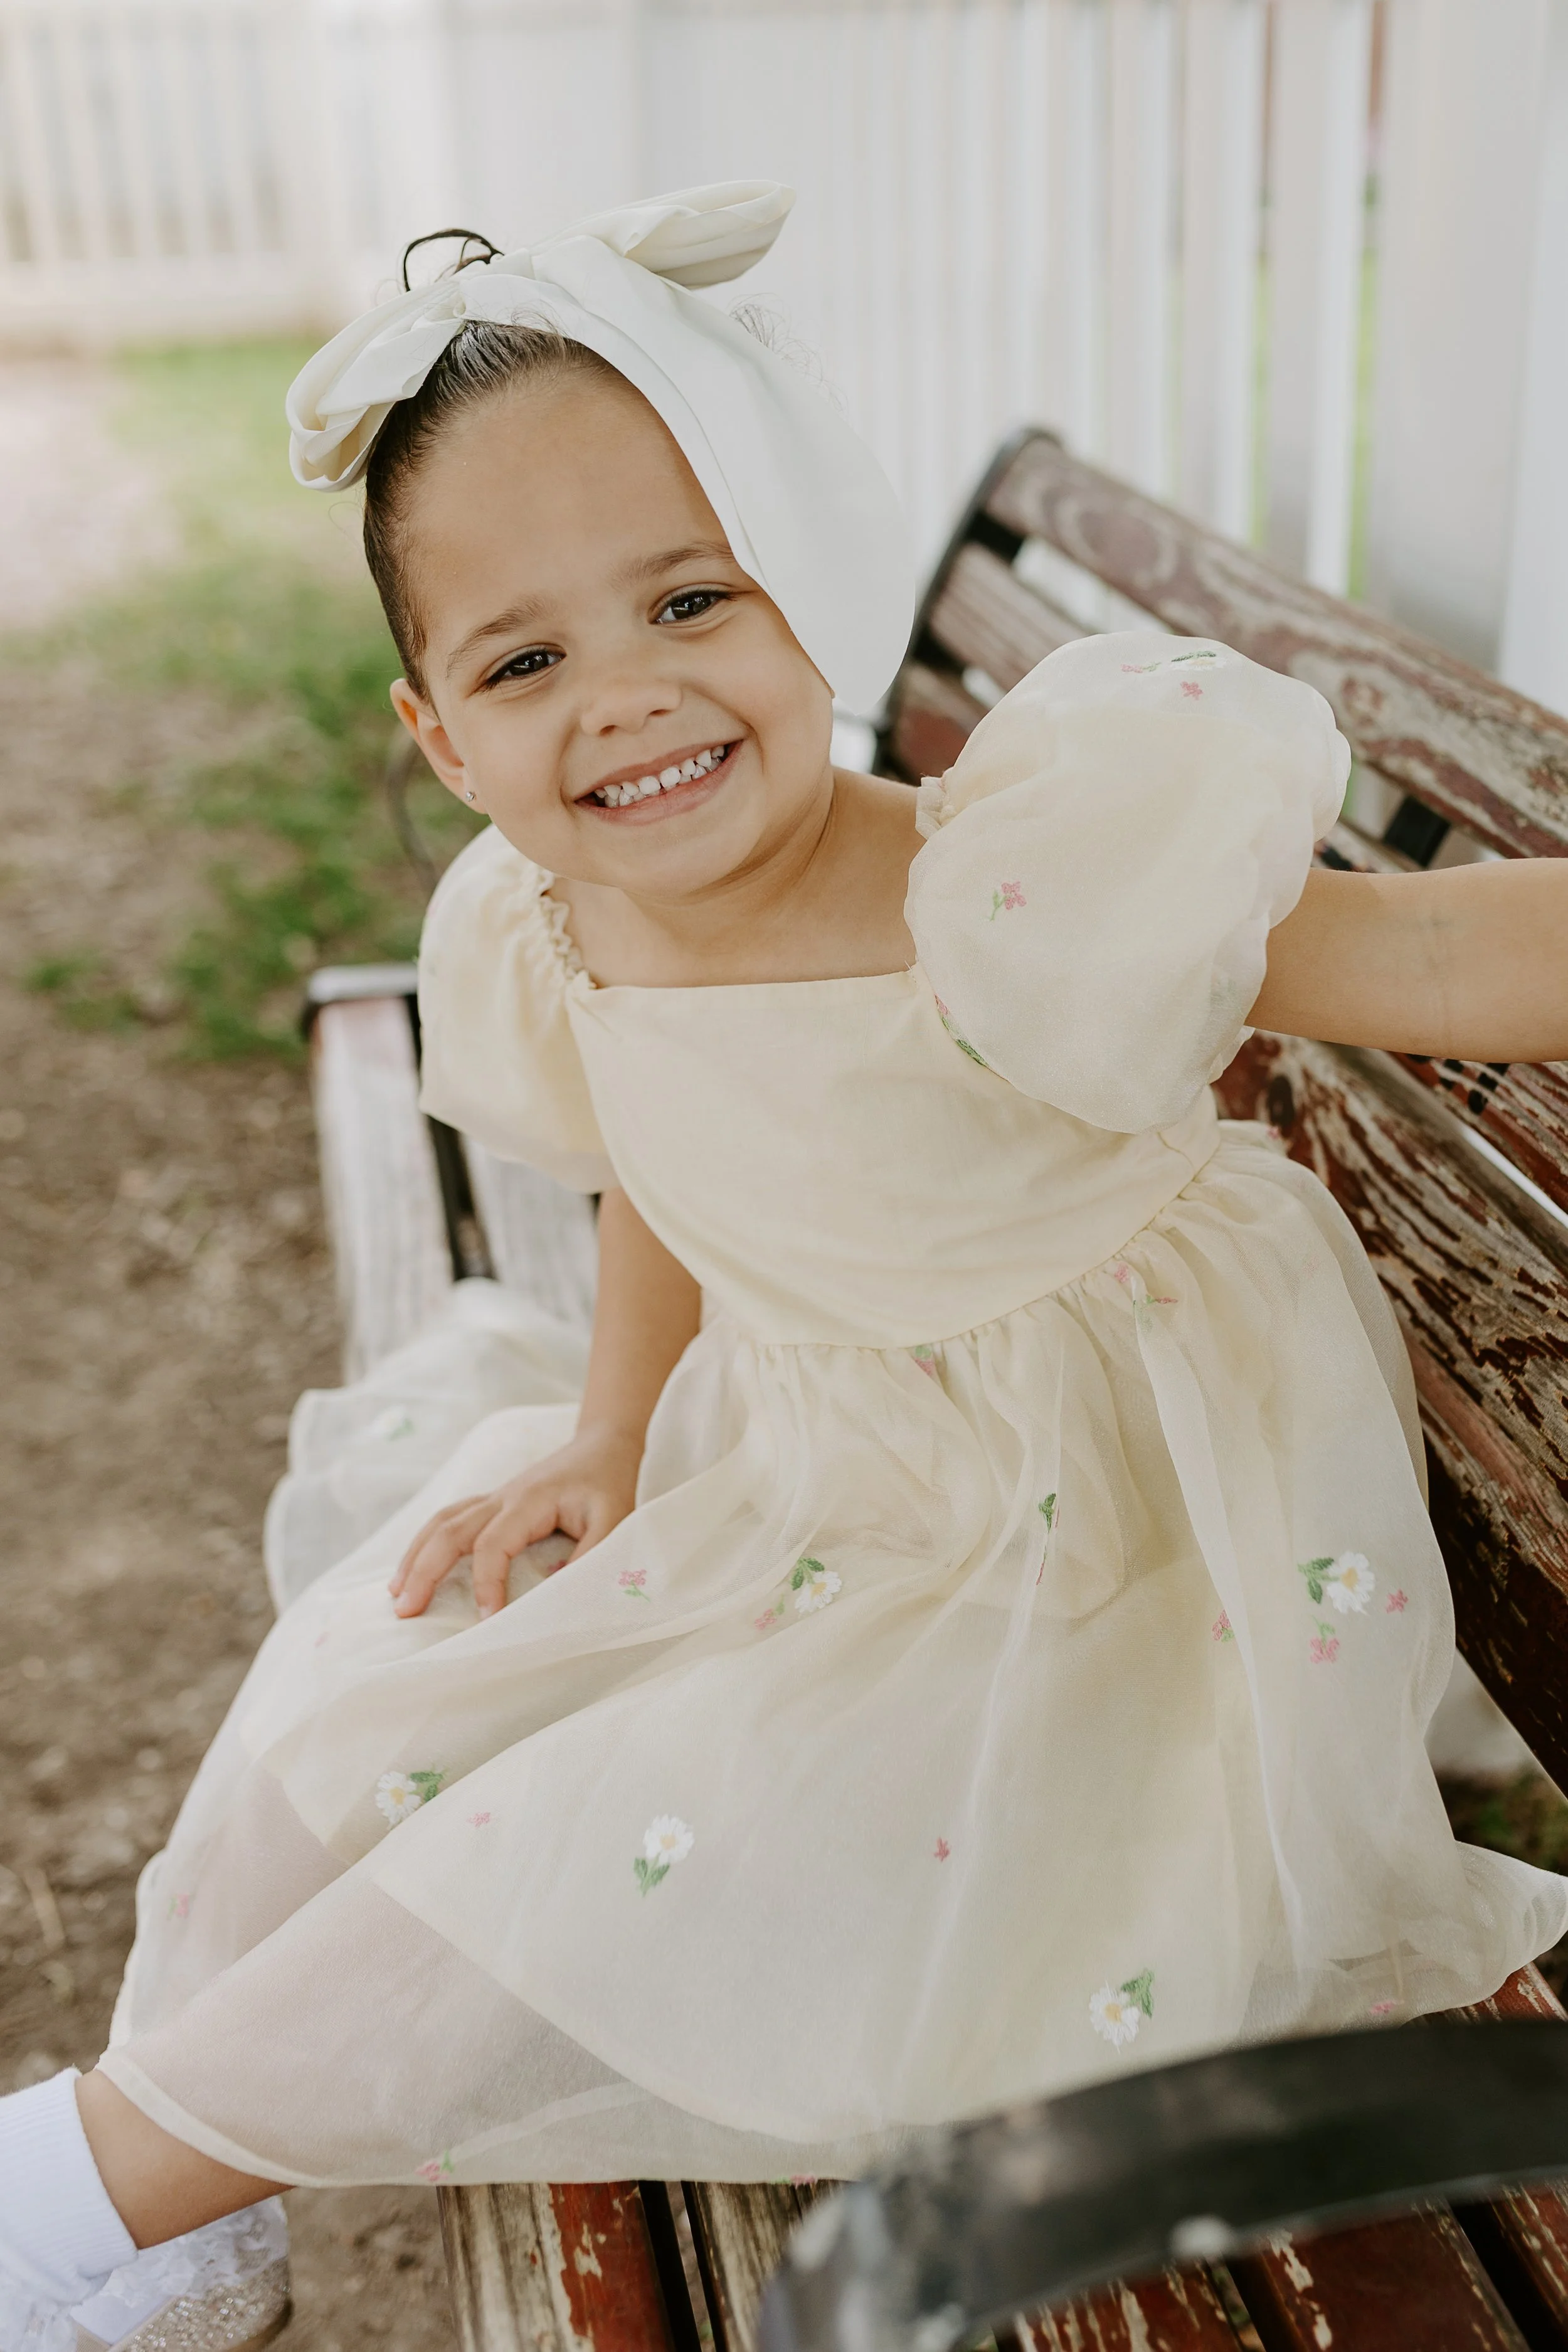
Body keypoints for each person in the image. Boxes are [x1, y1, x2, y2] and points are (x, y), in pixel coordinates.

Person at [5, 177, 1568, 2348]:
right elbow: (672, 1167)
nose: (628, 701)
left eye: (687, 600)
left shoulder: (1002, 888)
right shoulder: (565, 915)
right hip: (825, 1477)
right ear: (442, 738)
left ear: (792, 584)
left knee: (589, 1827)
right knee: (359, 1700)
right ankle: (185, 2215)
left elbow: (1403, 943)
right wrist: (608, 1428)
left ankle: (71, 2185)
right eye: (527, 658)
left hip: (1085, 1565)